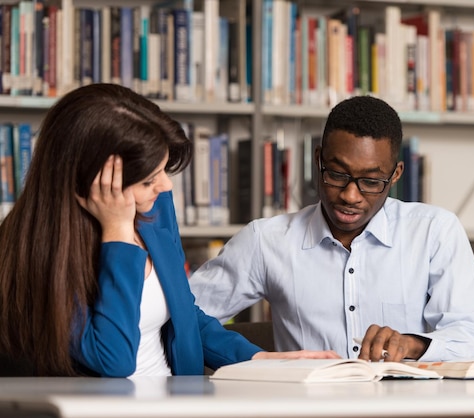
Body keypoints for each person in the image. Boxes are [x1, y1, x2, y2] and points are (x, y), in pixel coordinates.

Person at [0, 83, 339, 377]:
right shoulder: (37, 251)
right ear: (93, 179)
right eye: (149, 178)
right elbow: (113, 359)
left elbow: (183, 314)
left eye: (163, 170)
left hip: (179, 400)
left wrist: (255, 359)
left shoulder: (153, 208)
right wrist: (117, 233)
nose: (165, 186)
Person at [190, 95, 474, 363]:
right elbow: (181, 314)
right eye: (337, 174)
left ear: (396, 174)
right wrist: (248, 356)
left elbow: (473, 337)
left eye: (371, 182)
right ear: (317, 159)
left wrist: (413, 344)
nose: (350, 196)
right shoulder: (267, 240)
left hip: (404, 408)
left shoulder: (434, 232)